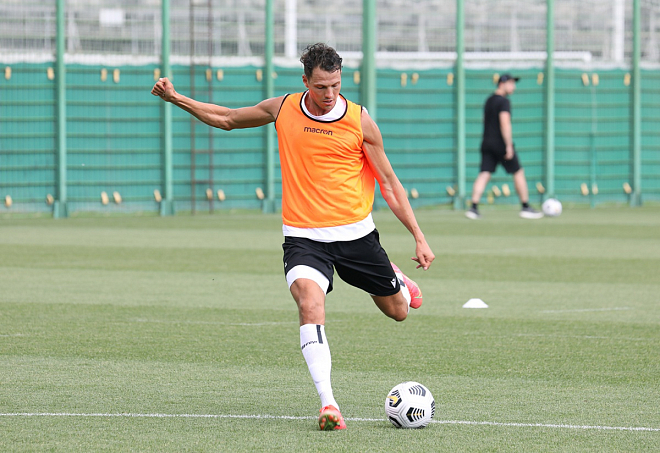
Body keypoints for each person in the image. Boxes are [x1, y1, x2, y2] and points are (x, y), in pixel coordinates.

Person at [151, 43, 435, 431]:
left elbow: (388, 182)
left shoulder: (359, 121)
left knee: (398, 312)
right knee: (309, 304)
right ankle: (329, 404)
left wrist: (418, 236)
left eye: (335, 85)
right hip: (303, 237)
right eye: (320, 87)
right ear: (305, 81)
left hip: (357, 237)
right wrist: (176, 98)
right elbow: (228, 118)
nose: (329, 94)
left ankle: (395, 277)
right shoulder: (283, 108)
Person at [465, 74, 543, 220]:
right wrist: (508, 145)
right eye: (511, 83)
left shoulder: (489, 100)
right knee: (518, 172)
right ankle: (525, 206)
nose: (514, 87)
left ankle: (473, 207)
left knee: (484, 173)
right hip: (500, 144)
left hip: (486, 142)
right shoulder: (504, 102)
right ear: (502, 83)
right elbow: (504, 123)